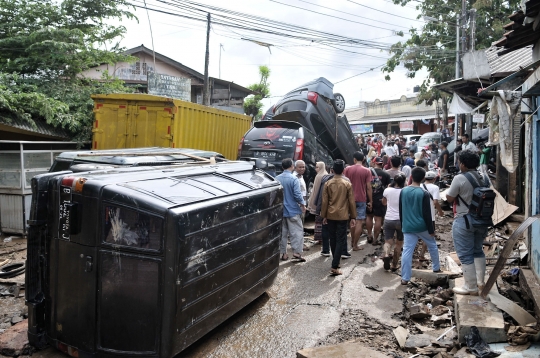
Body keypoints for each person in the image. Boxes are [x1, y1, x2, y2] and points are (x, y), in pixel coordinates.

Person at [446, 151, 487, 295]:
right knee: (478, 250)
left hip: (464, 220)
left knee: (465, 254)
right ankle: (480, 283)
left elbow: (450, 198)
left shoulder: (459, 178)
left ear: (462, 164)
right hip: (482, 220)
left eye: (458, 162)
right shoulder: (484, 176)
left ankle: (470, 287)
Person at [399, 167, 441, 285]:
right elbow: (427, 213)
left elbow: (401, 209)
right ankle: (436, 267)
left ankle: (405, 278)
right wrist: (431, 229)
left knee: (407, 251)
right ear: (423, 178)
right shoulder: (424, 193)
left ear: (411, 176)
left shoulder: (403, 191)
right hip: (422, 226)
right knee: (432, 245)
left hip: (408, 226)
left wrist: (403, 225)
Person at [321, 160, 357, 275]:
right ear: (343, 170)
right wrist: (353, 217)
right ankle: (335, 265)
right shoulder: (347, 184)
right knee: (341, 239)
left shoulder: (328, 183)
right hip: (343, 215)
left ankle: (335, 261)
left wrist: (324, 215)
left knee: (333, 238)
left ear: (332, 170)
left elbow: (324, 201)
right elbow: (351, 201)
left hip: (330, 214)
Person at [275, 158, 306, 262]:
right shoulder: (294, 179)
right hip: (293, 210)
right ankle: (296, 253)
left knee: (282, 233)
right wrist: (303, 205)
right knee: (296, 232)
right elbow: (297, 195)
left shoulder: (276, 178)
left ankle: (283, 254)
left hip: (280, 211)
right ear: (292, 166)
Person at [343, 152, 373, 252]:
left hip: (349, 198)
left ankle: (352, 241)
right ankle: (355, 245)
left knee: (352, 220)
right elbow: (369, 187)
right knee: (359, 222)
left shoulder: (347, 169)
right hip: (361, 199)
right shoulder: (367, 171)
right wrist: (371, 201)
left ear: (354, 159)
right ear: (363, 159)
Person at [382, 173, 406, 271]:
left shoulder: (387, 190)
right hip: (401, 220)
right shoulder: (405, 191)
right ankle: (394, 265)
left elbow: (384, 203)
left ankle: (387, 254)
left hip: (389, 219)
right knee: (398, 243)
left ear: (394, 181)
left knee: (388, 241)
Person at [366, 157, 391, 244]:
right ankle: (375, 240)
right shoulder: (386, 174)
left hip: (368, 198)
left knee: (369, 217)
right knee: (378, 219)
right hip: (380, 199)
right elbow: (389, 187)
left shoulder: (368, 172)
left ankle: (369, 235)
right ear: (382, 164)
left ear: (374, 163)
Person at [307, 162, 328, 245]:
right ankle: (323, 239)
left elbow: (315, 192)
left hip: (319, 202)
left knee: (319, 221)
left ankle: (320, 239)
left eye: (317, 167)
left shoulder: (319, 176)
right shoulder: (326, 174)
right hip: (324, 202)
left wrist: (312, 203)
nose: (316, 169)